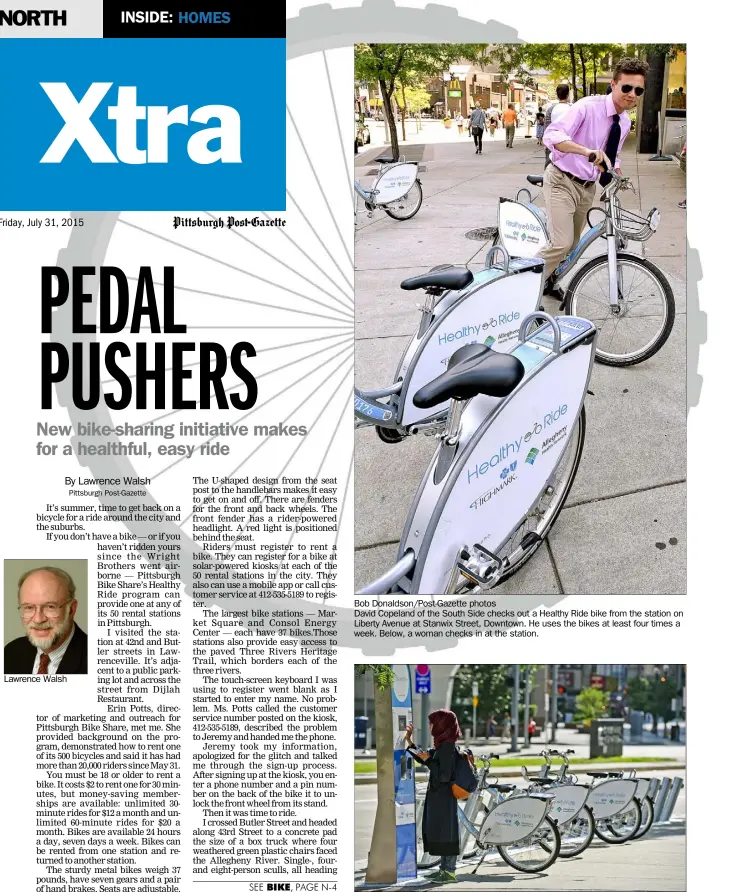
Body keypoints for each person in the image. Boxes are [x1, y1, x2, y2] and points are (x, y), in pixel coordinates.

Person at [540, 57, 649, 294]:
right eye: (627, 87)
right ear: (614, 83)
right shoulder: (587, 107)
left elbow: (613, 154)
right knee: (560, 243)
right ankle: (521, 287)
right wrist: (585, 151)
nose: (632, 94)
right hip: (561, 180)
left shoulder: (623, 121)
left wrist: (617, 173)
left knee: (572, 247)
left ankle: (547, 282)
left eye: (638, 89)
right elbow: (552, 135)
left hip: (587, 188)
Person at [405, 710, 462, 884]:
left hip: (444, 798)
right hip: (440, 797)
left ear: (441, 725)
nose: (430, 726)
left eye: (432, 723)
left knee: (447, 833)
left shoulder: (447, 748)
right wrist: (409, 742)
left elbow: (443, 775)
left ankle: (449, 872)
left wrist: (429, 761)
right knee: (443, 833)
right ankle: (443, 870)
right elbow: (425, 757)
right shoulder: (442, 745)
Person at [4, 567, 87, 674]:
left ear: (71, 609)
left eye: (50, 607)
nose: (38, 619)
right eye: (29, 607)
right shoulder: (10, 653)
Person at [544, 84, 571, 168]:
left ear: (557, 94)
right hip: (569, 144)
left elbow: (547, 129)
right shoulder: (573, 108)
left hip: (553, 145)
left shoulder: (551, 109)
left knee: (550, 168)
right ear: (568, 94)